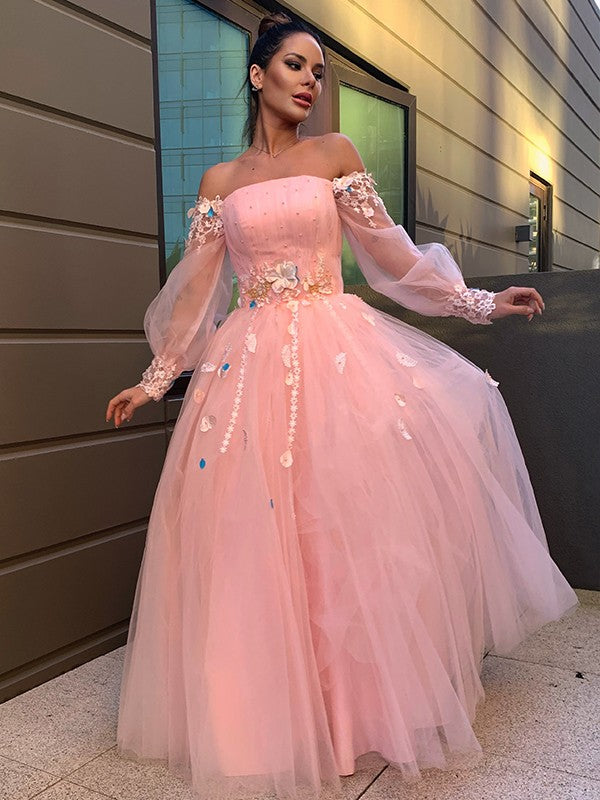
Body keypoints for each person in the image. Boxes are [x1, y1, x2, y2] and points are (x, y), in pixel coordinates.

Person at [106, 12, 578, 800]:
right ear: (257, 74)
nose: (311, 82)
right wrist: (155, 380)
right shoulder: (220, 182)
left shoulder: (336, 155)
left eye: (318, 71)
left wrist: (478, 301)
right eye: (295, 64)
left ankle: (354, 712)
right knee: (252, 536)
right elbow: (195, 297)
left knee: (341, 528)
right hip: (247, 367)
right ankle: (264, 716)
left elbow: (392, 256)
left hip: (336, 354)